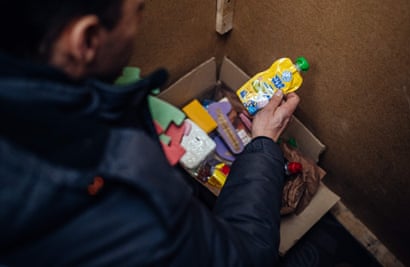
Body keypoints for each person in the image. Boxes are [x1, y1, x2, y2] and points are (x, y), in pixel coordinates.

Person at [0, 0, 300, 266]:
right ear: (88, 39)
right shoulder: (141, 213)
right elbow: (246, 256)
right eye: (138, 11)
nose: (139, 23)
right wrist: (263, 142)